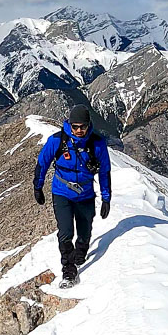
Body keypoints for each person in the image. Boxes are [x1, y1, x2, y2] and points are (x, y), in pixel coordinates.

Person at [33, 105, 112, 288]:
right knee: (66, 232)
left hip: (85, 194)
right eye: (75, 126)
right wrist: (38, 187)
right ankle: (68, 271)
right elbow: (42, 164)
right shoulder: (57, 141)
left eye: (82, 127)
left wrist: (106, 198)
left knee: (85, 231)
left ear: (88, 125)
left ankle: (81, 251)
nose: (78, 131)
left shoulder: (97, 144)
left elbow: (105, 172)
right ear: (69, 124)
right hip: (62, 193)